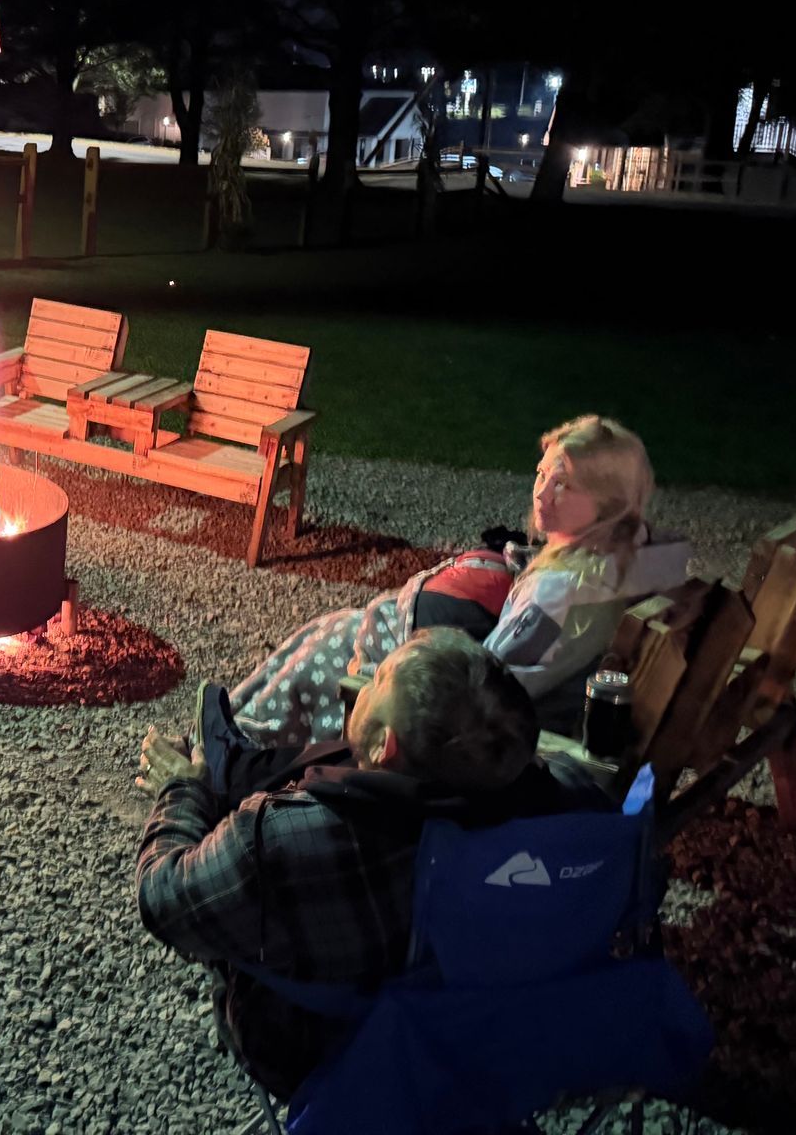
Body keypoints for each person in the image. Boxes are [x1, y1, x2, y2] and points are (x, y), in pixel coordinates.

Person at [136, 628, 604, 1098]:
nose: (363, 681)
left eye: (379, 679)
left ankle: (218, 774)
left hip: (327, 1052)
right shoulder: (569, 805)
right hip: (487, 1041)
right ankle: (238, 766)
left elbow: (162, 899)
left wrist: (182, 790)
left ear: (383, 746)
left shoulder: (282, 839)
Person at [224, 414, 691, 744]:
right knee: (325, 632)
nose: (542, 493)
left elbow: (479, 686)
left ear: (608, 502)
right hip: (504, 689)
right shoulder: (638, 553)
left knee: (324, 651)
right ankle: (230, 725)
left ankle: (237, 745)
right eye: (541, 473)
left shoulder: (559, 596)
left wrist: (404, 658)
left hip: (452, 717)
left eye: (564, 483)